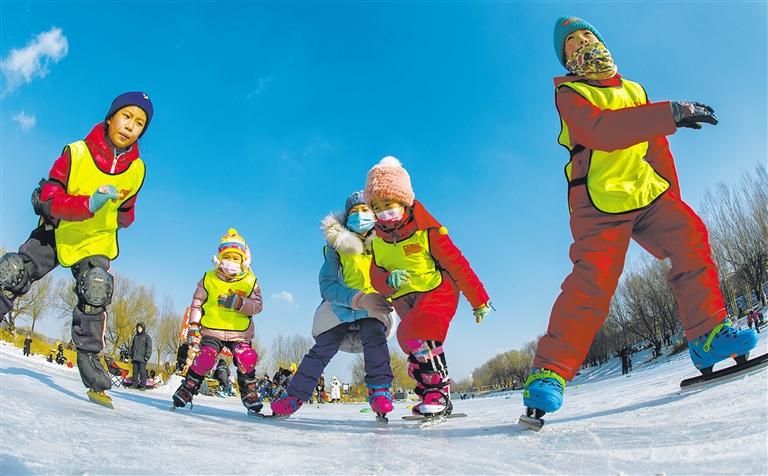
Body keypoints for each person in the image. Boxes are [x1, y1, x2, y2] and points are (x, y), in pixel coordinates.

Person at [522, 17, 759, 419]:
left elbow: (656, 150)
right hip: (599, 203)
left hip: (648, 193)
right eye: (572, 45)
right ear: (566, 60)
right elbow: (601, 130)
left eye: (587, 37)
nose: (583, 46)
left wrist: (673, 201)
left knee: (692, 240)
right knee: (592, 283)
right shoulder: (570, 93)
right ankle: (549, 372)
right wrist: (669, 112)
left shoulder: (633, 89)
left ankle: (708, 334)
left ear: (601, 40)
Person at [0, 92, 153, 408]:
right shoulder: (76, 152)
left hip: (94, 241)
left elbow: (127, 213)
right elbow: (50, 196)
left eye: (140, 123)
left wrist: (123, 212)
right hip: (59, 228)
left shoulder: (137, 170)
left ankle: (92, 369)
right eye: (126, 117)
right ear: (110, 117)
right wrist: (88, 203)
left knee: (96, 289)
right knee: (13, 272)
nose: (131, 127)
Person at [364, 157, 492, 417]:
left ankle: (439, 393)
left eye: (387, 205)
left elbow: (458, 265)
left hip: (436, 292)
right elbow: (374, 275)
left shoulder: (427, 231)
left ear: (403, 201)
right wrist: (388, 279)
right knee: (413, 344)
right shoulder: (377, 242)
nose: (382, 213)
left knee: (419, 335)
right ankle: (427, 392)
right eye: (376, 207)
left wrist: (479, 300)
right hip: (405, 301)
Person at [270, 192, 396, 418]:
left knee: (375, 336)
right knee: (323, 347)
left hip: (372, 305)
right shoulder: (336, 248)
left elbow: (395, 273)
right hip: (341, 305)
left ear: (375, 216)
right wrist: (355, 298)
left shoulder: (385, 245)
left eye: (365, 211)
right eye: (354, 213)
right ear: (346, 220)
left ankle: (380, 391)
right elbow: (327, 284)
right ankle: (294, 396)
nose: (360, 216)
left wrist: (394, 282)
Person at [172, 229, 265, 414]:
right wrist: (193, 328)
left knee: (246, 357)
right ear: (219, 257)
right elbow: (197, 303)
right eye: (227, 256)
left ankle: (249, 392)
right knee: (206, 356)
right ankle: (188, 387)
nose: (231, 261)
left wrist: (238, 303)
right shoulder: (208, 278)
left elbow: (258, 306)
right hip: (212, 330)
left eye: (235, 258)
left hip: (239, 333)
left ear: (244, 260)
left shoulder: (250, 281)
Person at [130, 322, 152, 390]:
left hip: (142, 358)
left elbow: (149, 347)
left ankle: (143, 386)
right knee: (135, 372)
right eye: (138, 327)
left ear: (143, 328)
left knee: (143, 372)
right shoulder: (135, 336)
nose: (139, 329)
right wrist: (131, 355)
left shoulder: (147, 337)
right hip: (135, 357)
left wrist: (147, 356)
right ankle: (134, 384)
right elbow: (132, 346)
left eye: (140, 327)